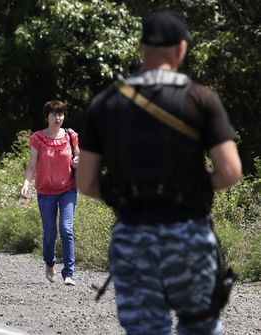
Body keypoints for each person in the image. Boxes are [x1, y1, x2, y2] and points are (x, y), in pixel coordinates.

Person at [77, 10, 242, 335]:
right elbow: (231, 171)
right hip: (188, 235)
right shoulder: (201, 99)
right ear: (181, 48)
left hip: (133, 236)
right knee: (200, 325)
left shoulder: (104, 103)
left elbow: (86, 182)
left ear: (141, 47)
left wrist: (122, 194)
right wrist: (198, 187)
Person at [20, 100, 80, 286]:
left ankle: (68, 273)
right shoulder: (38, 138)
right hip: (45, 192)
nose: (58, 118)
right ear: (47, 117)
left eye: (61, 114)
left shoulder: (70, 136)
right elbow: (32, 165)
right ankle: (49, 262)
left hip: (67, 189)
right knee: (50, 233)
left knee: (66, 228)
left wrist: (77, 161)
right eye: (54, 114)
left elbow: (78, 156)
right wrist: (26, 184)